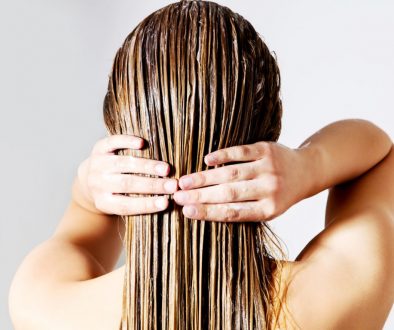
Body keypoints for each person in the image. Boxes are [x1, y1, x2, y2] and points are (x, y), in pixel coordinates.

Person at [9, 1, 394, 329]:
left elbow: (76, 234)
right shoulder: (333, 298)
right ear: (267, 137)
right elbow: (380, 155)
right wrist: (308, 166)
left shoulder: (47, 306)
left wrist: (87, 191)